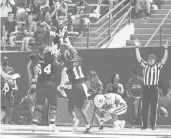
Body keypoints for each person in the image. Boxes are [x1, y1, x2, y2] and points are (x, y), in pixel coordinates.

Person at [56, 45, 92, 133]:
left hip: (75, 86)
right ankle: (88, 124)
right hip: (83, 86)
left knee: (70, 107)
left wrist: (56, 54)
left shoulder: (66, 63)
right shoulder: (79, 59)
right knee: (80, 108)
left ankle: (75, 119)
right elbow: (73, 53)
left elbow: (57, 64)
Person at [134, 39, 168, 130]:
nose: (150, 60)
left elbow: (164, 59)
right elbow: (139, 57)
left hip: (154, 89)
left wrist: (166, 48)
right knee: (144, 108)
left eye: (152, 59)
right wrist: (137, 47)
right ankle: (144, 125)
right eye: (149, 59)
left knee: (154, 108)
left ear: (154, 60)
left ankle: (153, 125)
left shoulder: (158, 66)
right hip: (146, 89)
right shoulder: (145, 65)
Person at [27, 45, 59, 132]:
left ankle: (34, 124)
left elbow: (30, 67)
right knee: (53, 106)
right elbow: (56, 58)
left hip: (40, 85)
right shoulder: (51, 57)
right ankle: (52, 124)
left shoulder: (36, 59)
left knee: (38, 106)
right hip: (50, 84)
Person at [1, 56, 18, 124]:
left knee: (11, 104)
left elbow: (13, 79)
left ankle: (9, 120)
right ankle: (1, 120)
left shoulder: (10, 69)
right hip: (1, 88)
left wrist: (14, 84)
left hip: (9, 88)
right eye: (3, 60)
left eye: (6, 60)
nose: (5, 61)